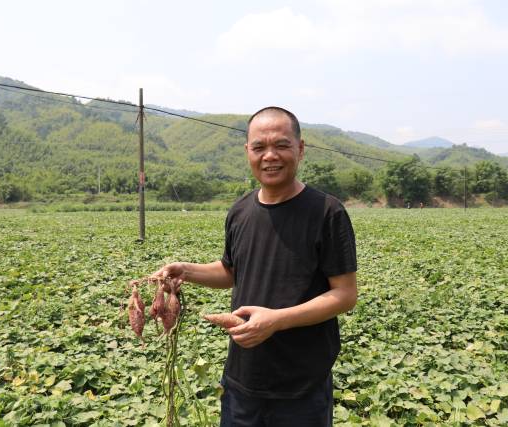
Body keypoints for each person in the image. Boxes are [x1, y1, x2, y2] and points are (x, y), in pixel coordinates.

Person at [151, 106, 358, 426]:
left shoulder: (326, 212)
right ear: (247, 151)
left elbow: (344, 295)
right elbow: (230, 272)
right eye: (259, 147)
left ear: (300, 149)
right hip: (242, 381)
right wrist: (186, 271)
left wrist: (276, 320)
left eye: (282, 145)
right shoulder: (240, 211)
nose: (270, 156)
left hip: (301, 387)